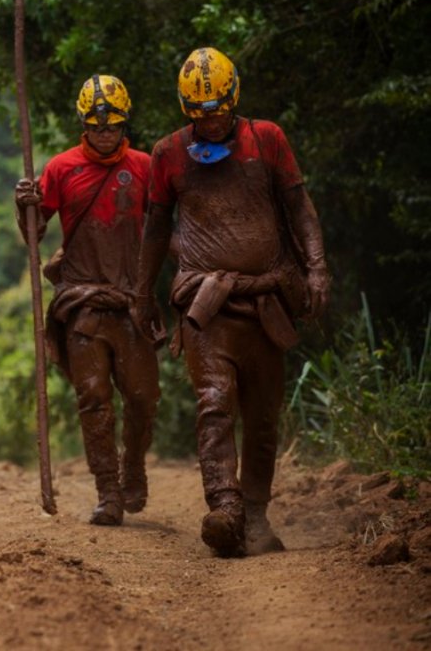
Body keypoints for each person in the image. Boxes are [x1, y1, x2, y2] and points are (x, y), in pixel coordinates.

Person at [133, 47, 329, 557]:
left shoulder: (267, 139)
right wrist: (142, 295)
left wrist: (316, 268)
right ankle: (225, 509)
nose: (211, 120)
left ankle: (258, 514)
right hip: (205, 302)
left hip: (268, 298)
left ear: (234, 98)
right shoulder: (168, 153)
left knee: (263, 415)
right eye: (199, 113)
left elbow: (299, 208)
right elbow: (155, 229)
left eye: (218, 110)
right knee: (215, 403)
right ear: (185, 110)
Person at [15, 75, 161, 527]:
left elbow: (164, 226)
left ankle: (133, 465)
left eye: (112, 126)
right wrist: (27, 207)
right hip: (81, 302)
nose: (104, 134)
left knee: (142, 397)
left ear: (123, 124)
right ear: (83, 124)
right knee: (93, 397)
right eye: (96, 127)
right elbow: (35, 236)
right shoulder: (61, 168)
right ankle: (108, 492)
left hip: (131, 301)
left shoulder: (145, 166)